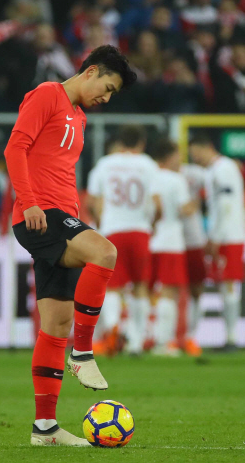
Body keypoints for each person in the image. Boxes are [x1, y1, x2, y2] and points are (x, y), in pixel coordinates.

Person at [4, 45, 136, 446]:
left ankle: (45, 428)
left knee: (54, 326)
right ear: (91, 71)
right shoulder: (48, 94)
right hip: (39, 214)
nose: (106, 98)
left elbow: (59, 170)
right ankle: (83, 354)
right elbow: (15, 148)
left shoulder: (77, 116)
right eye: (107, 87)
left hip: (60, 214)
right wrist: (28, 202)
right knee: (106, 252)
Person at [86, 125, 161, 357]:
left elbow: (91, 202)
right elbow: (157, 203)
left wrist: (101, 221)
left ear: (119, 143)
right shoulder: (148, 165)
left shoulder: (105, 164)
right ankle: (136, 342)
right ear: (141, 143)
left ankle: (112, 332)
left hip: (112, 231)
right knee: (140, 286)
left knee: (113, 286)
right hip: (140, 230)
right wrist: (153, 224)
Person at [188, 134, 245, 351]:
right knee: (225, 285)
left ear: (207, 147)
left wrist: (216, 235)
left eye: (196, 154)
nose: (195, 159)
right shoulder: (215, 169)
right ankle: (229, 337)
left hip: (229, 236)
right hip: (225, 234)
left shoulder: (223, 169)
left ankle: (232, 339)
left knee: (229, 285)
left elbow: (226, 204)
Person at [148, 139, 197, 356]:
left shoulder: (148, 175)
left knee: (144, 290)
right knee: (170, 291)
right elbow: (185, 209)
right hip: (170, 241)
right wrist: (196, 202)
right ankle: (163, 342)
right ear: (169, 156)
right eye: (178, 154)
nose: (181, 159)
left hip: (150, 240)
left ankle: (138, 337)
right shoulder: (176, 180)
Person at [181, 161, 209, 356]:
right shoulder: (156, 173)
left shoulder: (201, 173)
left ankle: (191, 336)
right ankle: (162, 337)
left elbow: (209, 201)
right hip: (168, 240)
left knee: (197, 288)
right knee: (164, 289)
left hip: (194, 238)